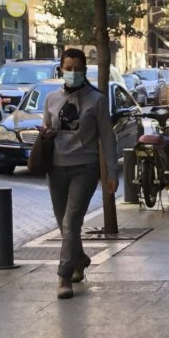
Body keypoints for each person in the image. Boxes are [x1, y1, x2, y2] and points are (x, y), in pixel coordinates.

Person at [42, 48, 116, 301]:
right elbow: (47, 128)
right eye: (68, 68)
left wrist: (111, 173)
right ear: (61, 69)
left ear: (85, 70)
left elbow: (107, 137)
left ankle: (64, 276)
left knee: (71, 222)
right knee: (64, 223)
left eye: (77, 69)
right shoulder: (51, 98)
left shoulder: (97, 100)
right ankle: (80, 258)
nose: (72, 73)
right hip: (56, 168)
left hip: (84, 168)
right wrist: (46, 134)